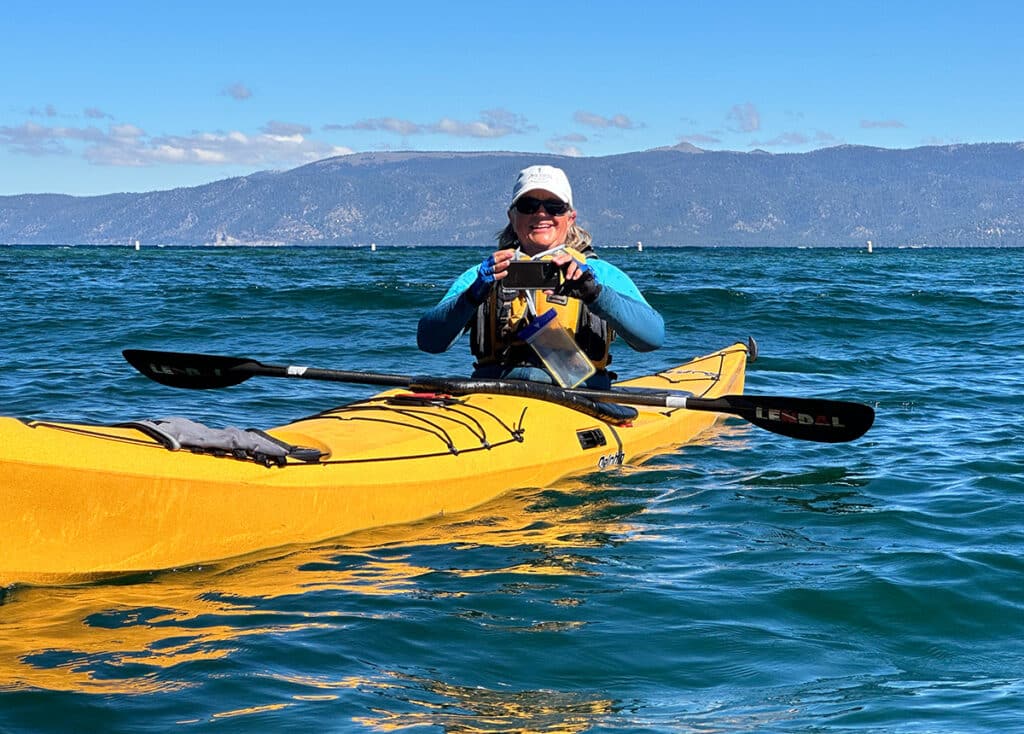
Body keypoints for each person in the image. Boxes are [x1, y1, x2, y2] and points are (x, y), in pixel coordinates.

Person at [417, 164, 664, 389]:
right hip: (495, 393)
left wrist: (594, 293)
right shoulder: (482, 275)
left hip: (580, 397)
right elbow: (430, 341)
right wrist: (472, 296)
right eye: (528, 206)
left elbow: (652, 337)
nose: (541, 214)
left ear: (570, 218)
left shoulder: (600, 273)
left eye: (554, 207)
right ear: (512, 217)